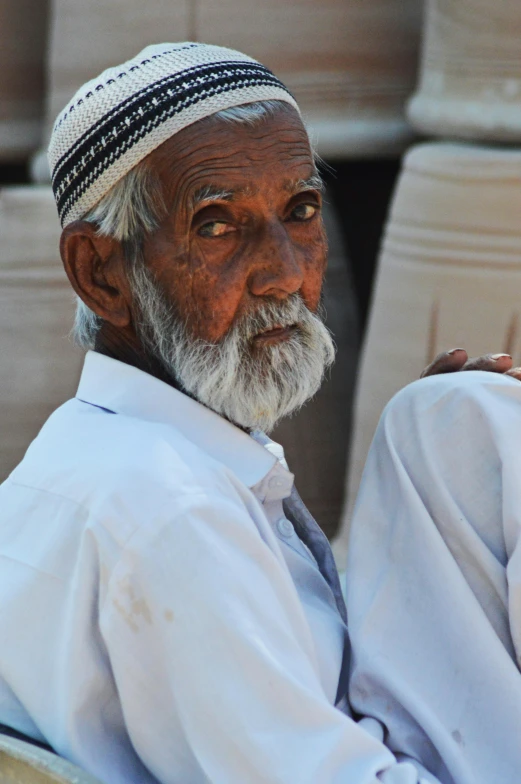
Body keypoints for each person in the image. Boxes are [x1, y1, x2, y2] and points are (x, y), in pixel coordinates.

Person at [0, 42, 515, 784]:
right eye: (216, 225)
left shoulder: (100, 457)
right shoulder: (169, 512)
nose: (284, 269)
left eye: (299, 210)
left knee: (455, 423)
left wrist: (427, 481)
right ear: (99, 272)